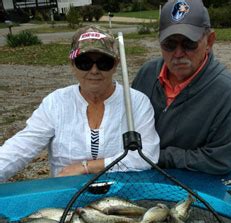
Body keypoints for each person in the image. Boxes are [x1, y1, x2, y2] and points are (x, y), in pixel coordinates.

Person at [0, 26, 160, 182]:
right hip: (67, 193)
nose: (94, 70)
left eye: (104, 62)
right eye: (84, 62)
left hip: (121, 194)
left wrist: (86, 167)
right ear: (72, 64)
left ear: (116, 65)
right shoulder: (55, 103)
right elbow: (21, 147)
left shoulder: (137, 102)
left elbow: (146, 156)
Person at [132, 0, 231, 175]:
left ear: (209, 41)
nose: (178, 53)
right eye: (169, 44)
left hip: (194, 183)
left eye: (189, 43)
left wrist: (157, 156)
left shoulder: (228, 94)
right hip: (139, 174)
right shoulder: (146, 74)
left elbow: (220, 160)